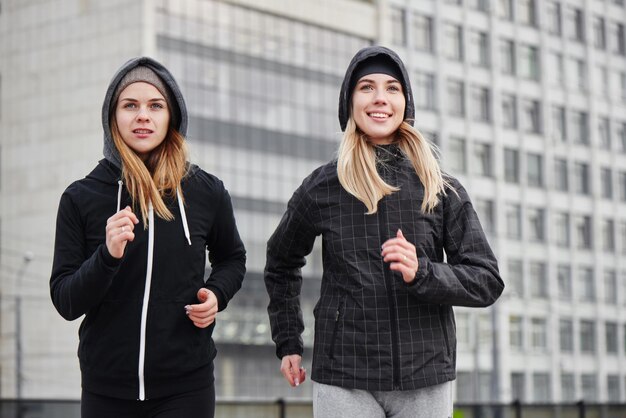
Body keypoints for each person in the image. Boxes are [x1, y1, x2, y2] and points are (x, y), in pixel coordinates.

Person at [264, 45, 504, 418]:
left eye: (392, 88)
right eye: (367, 87)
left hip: (425, 378)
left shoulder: (439, 188)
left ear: (405, 103)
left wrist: (422, 271)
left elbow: (486, 280)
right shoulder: (323, 186)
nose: (380, 98)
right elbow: (280, 263)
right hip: (344, 376)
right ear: (350, 102)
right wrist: (288, 341)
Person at [50, 56, 246, 418]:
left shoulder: (206, 191)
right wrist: (106, 256)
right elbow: (65, 300)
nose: (143, 116)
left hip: (187, 387)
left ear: (171, 116)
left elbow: (233, 258)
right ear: (113, 118)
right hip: (106, 390)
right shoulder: (81, 197)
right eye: (130, 105)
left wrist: (216, 294)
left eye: (155, 105)